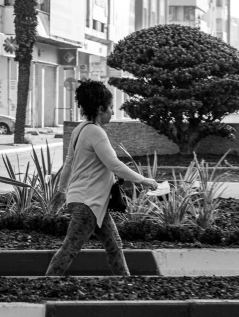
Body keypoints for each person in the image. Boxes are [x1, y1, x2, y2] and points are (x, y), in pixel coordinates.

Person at [45, 79, 160, 277]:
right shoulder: (96, 132)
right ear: (100, 108)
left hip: (91, 202)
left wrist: (61, 191)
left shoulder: (80, 129)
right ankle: (44, 285)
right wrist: (144, 180)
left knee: (114, 245)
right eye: (110, 108)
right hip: (88, 203)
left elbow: (68, 165)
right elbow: (114, 165)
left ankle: (125, 284)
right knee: (70, 248)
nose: (113, 113)